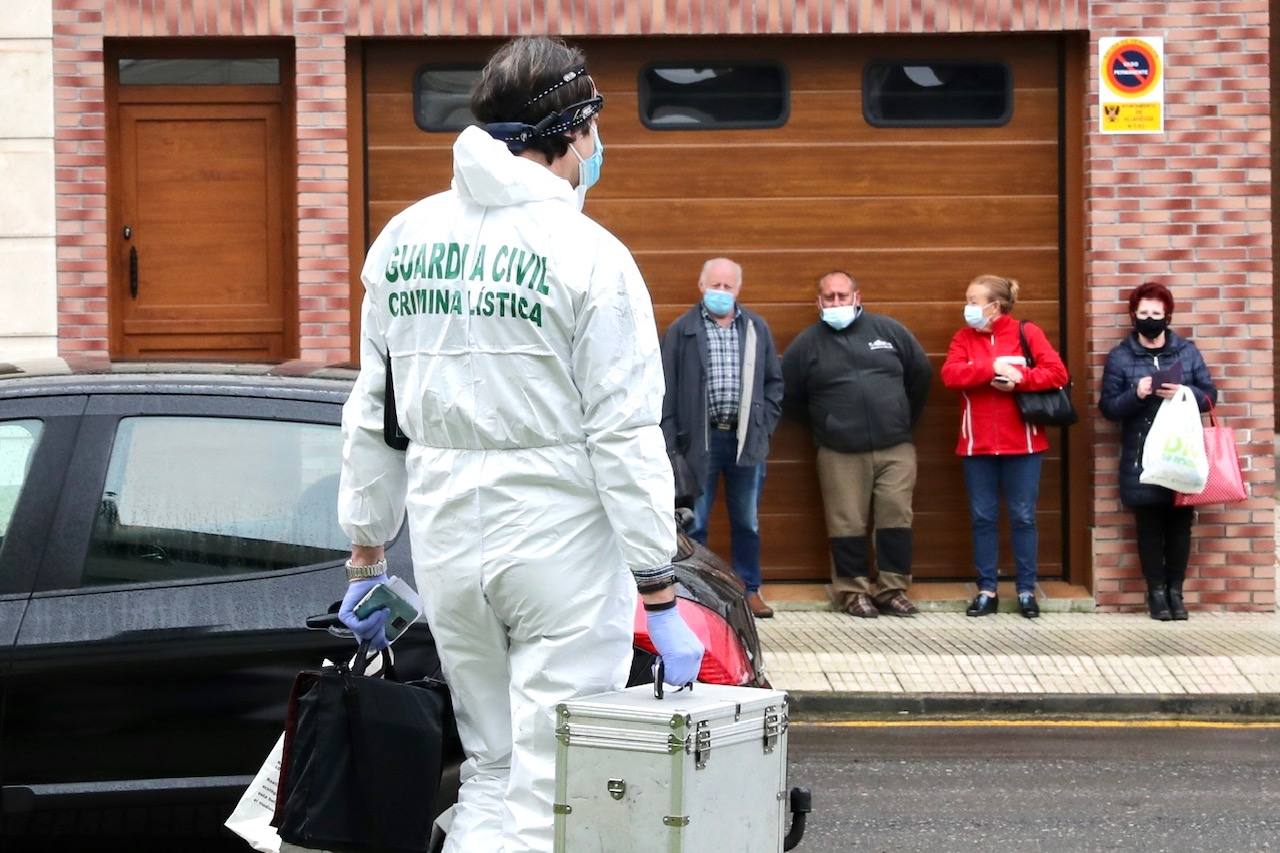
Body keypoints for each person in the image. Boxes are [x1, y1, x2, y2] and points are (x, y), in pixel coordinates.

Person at [334, 37, 704, 853]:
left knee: (492, 770)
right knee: (552, 783)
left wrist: (366, 553)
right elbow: (623, 431)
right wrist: (658, 586)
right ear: (571, 131)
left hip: (446, 541)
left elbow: (375, 410)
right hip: (558, 543)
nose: (598, 148)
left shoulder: (405, 239)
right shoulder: (589, 256)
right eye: (595, 128)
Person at [781, 271, 931, 618]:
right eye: (829, 297)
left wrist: (900, 417)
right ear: (819, 302)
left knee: (896, 518)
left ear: (857, 297)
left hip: (896, 446)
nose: (836, 303)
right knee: (845, 523)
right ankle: (852, 592)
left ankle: (892, 589)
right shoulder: (807, 344)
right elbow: (788, 394)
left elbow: (920, 376)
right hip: (839, 452)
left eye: (842, 296)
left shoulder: (889, 332)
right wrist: (827, 424)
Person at [661, 258, 784, 618]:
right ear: (701, 287)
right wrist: (671, 444)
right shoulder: (682, 330)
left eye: (727, 287)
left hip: (745, 442)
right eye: (715, 285)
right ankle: (697, 595)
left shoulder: (756, 328)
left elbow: (775, 384)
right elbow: (665, 388)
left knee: (747, 521)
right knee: (694, 523)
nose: (721, 292)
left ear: (738, 290)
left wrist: (764, 426)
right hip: (698, 443)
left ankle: (749, 590)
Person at [940, 274, 1068, 619]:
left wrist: (1020, 379)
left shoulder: (1027, 333)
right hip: (977, 445)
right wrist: (989, 367)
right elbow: (950, 375)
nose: (967, 307)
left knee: (1023, 517)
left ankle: (1026, 590)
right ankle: (987, 590)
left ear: (994, 306)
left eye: (972, 301)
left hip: (1023, 445)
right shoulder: (963, 337)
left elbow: (1057, 374)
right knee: (982, 517)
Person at [1099, 281, 1216, 621]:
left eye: (1156, 313)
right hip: (1142, 455)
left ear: (1167, 316)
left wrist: (1184, 392)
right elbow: (1108, 408)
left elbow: (1210, 397)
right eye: (1143, 313)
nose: (1149, 319)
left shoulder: (1186, 351)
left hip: (1181, 452)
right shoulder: (1121, 356)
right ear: (1133, 316)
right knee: (1149, 526)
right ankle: (1156, 594)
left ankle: (1176, 592)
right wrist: (1137, 394)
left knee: (1181, 524)